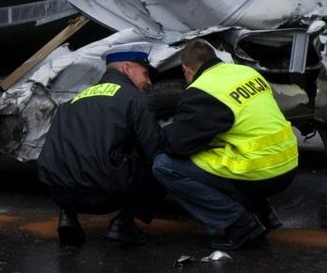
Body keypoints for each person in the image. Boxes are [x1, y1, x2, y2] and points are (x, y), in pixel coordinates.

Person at [152, 39, 298, 251]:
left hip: (261, 173)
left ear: (186, 69)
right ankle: (262, 214)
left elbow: (179, 145)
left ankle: (240, 224)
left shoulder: (204, 90)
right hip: (287, 164)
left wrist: (157, 132)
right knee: (223, 153)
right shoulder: (246, 73)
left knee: (164, 165)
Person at [37, 41, 165, 246]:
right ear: (127, 68)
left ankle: (68, 217)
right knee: (163, 164)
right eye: (145, 74)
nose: (148, 82)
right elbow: (155, 151)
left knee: (75, 153)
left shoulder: (74, 101)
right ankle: (123, 223)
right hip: (103, 194)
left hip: (60, 192)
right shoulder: (134, 99)